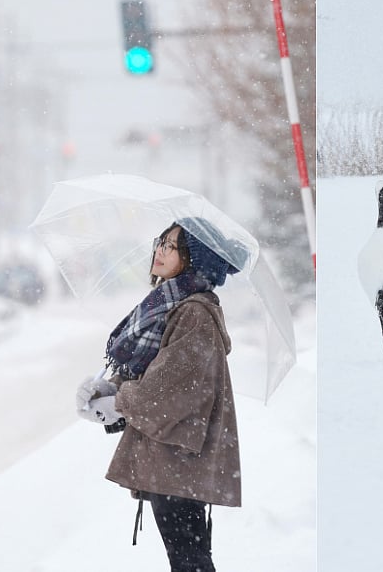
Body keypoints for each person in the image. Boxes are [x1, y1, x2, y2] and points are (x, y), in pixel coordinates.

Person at [76, 218, 241, 572]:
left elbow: (167, 393)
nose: (160, 251)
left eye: (171, 246)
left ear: (194, 258)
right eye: (160, 242)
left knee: (190, 561)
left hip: (180, 458)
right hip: (171, 455)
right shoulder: (170, 304)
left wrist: (118, 401)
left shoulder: (194, 313)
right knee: (187, 559)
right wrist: (111, 388)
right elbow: (156, 374)